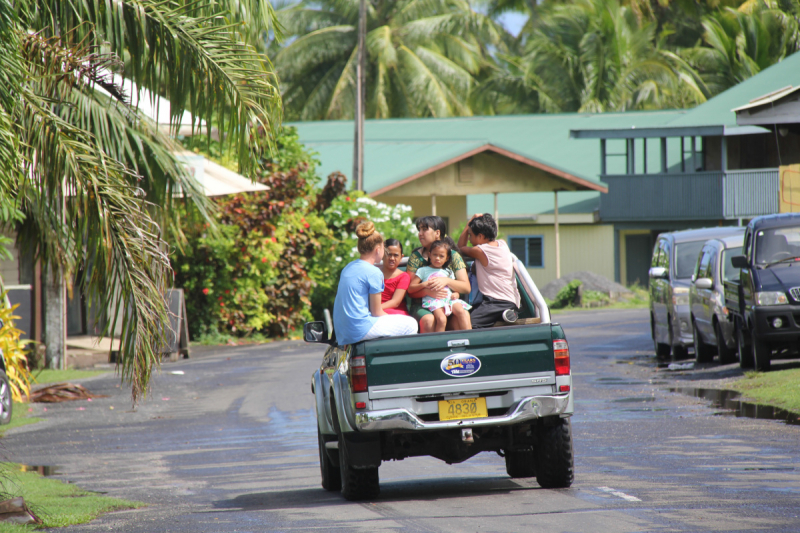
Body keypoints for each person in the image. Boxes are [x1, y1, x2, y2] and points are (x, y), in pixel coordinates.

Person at [333, 221, 418, 345]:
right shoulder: (374, 272)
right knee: (411, 324)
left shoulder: (348, 267)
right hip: (359, 329)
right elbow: (376, 312)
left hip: (342, 332)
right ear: (378, 249)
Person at [406, 216, 471, 332]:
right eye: (419, 230)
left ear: (437, 233)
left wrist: (446, 281)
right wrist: (427, 291)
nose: (420, 233)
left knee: (463, 314)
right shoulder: (416, 257)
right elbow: (409, 291)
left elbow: (466, 288)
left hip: (448, 302)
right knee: (429, 320)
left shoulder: (454, 256)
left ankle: (470, 347)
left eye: (424, 229)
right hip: (423, 305)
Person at [457, 213, 520, 329]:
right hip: (512, 300)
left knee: (467, 323)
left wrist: (469, 222)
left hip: (495, 301)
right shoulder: (502, 243)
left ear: (480, 236)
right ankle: (506, 314)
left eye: (470, 235)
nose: (469, 239)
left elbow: (460, 247)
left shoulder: (480, 251)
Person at [380, 238, 411, 316]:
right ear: (382, 254)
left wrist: (375, 309)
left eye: (396, 255)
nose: (392, 258)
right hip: (375, 311)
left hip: (396, 312)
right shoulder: (374, 273)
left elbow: (395, 302)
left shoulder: (403, 276)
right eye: (389, 254)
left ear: (401, 257)